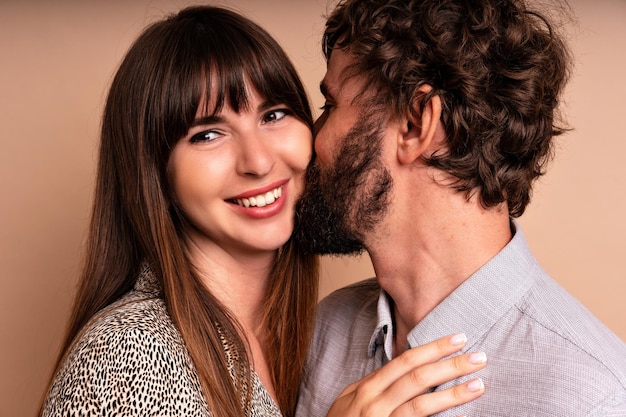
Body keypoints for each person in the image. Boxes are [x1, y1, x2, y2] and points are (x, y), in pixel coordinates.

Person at [40, 5, 487, 417]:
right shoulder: (128, 357)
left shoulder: (313, 336)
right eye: (207, 135)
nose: (257, 161)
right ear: (156, 176)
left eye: (273, 115)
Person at [295, 0, 626, 416]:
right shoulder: (326, 329)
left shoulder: (596, 398)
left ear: (417, 123)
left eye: (330, 106)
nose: (307, 141)